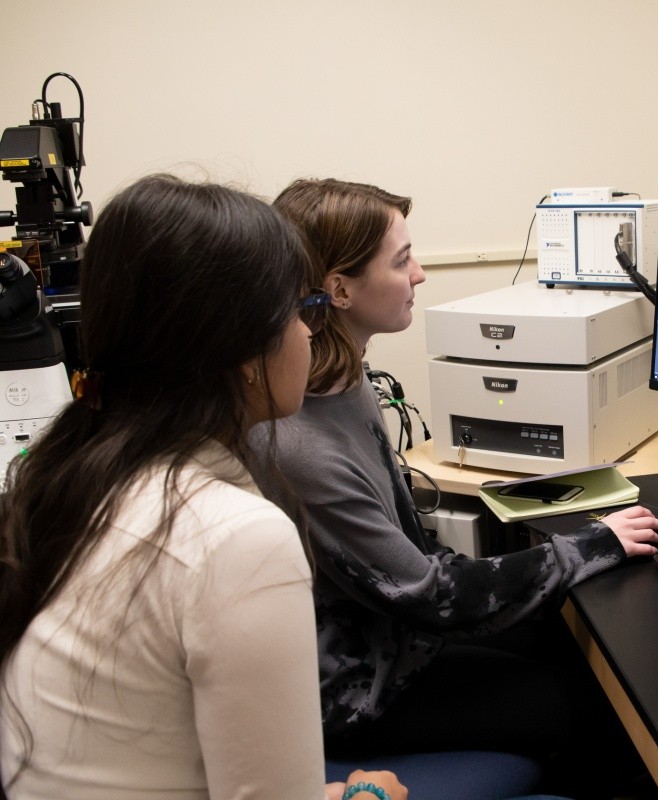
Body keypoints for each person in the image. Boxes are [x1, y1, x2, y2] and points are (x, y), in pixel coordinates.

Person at [251, 177, 658, 796]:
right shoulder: (299, 443)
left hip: (396, 639)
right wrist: (588, 546)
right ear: (338, 290)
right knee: (593, 706)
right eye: (402, 260)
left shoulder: (343, 379)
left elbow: (411, 550)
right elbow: (426, 592)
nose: (419, 273)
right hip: (357, 688)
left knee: (579, 648)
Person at [0, 174, 405, 800]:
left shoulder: (69, 476)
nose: (307, 332)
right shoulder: (236, 538)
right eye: (303, 312)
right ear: (243, 353)